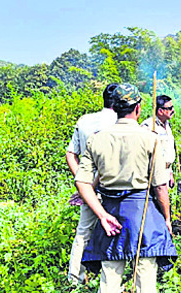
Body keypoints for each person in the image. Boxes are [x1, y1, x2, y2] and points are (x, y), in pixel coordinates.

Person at [75, 84, 177, 293]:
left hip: (111, 213)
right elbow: (160, 186)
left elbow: (82, 181)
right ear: (138, 108)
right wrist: (166, 218)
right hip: (142, 214)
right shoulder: (151, 139)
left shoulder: (97, 138)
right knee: (145, 278)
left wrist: (101, 215)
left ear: (114, 108)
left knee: (110, 275)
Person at [65, 83, 119, 285]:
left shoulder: (85, 120)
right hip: (114, 186)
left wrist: (83, 183)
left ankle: (74, 279)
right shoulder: (122, 122)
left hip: (88, 186)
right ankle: (109, 281)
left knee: (83, 232)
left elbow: (71, 154)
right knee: (114, 229)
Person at [141, 95, 176, 187]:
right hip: (155, 173)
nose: (173, 111)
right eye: (170, 108)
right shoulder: (148, 126)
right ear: (160, 111)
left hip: (166, 171)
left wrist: (170, 173)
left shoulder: (167, 125)